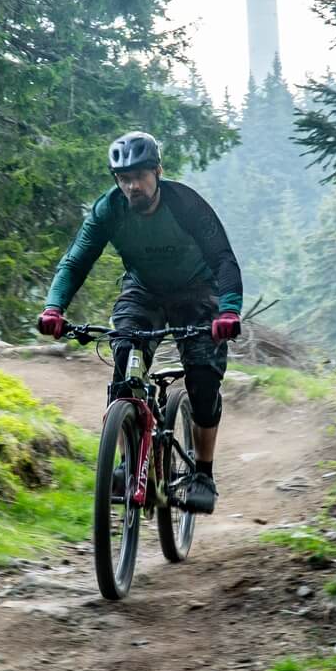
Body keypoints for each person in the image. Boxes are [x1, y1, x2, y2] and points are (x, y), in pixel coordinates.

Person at [36, 132, 243, 513]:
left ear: (158, 173)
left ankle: (203, 473)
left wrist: (228, 310)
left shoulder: (185, 204)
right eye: (123, 178)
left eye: (140, 176)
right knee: (124, 358)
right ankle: (127, 461)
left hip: (197, 290)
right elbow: (76, 261)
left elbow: (223, 258)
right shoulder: (108, 210)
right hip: (143, 289)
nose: (132, 185)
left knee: (202, 378)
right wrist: (54, 307)